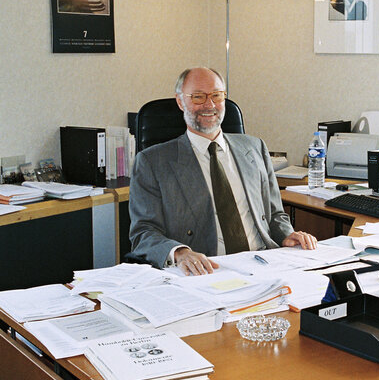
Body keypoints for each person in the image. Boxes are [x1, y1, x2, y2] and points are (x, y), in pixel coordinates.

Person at [129, 67, 317, 275]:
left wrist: (287, 235)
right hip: (207, 269)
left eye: (217, 96)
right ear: (181, 102)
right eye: (198, 97)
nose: (209, 105)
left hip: (265, 264)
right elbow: (143, 233)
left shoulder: (255, 148)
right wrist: (180, 253)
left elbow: (274, 214)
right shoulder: (153, 162)